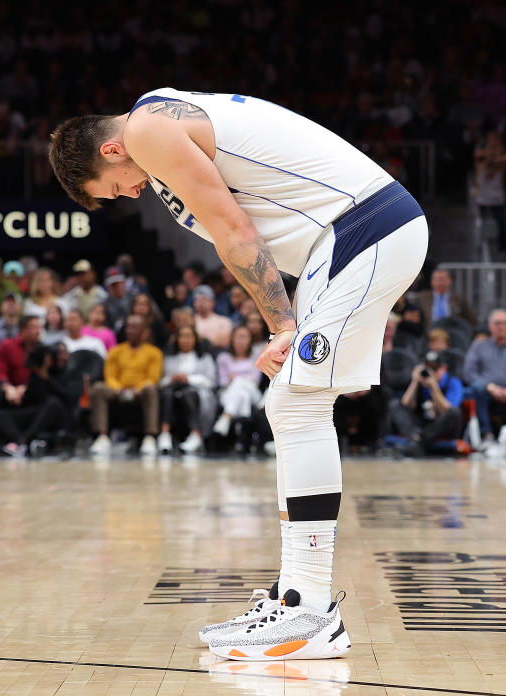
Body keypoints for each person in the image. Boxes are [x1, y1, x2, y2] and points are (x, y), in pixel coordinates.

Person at [50, 88, 427, 658]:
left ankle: (307, 610)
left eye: (114, 189)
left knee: (296, 405)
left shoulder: (148, 130)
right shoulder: (158, 124)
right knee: (290, 404)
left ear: (110, 151)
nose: (129, 195)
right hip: (345, 240)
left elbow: (236, 232)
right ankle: (297, 596)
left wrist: (281, 325)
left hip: (363, 229)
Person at [89, 315, 163, 456]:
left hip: (141, 392)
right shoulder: (115, 351)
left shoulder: (154, 352)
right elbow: (110, 375)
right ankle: (102, 436)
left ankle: (149, 437)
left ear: (144, 331)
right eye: (128, 327)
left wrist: (137, 389)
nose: (130, 331)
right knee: (98, 388)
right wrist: (118, 388)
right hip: (118, 390)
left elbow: (153, 377)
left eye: (135, 327)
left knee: (151, 389)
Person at [0, 344, 70, 457]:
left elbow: (68, 397)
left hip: (56, 415)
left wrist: (46, 378)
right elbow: (31, 400)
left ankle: (24, 442)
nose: (62, 357)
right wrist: (19, 395)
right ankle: (21, 441)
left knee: (53, 402)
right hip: (36, 412)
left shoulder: (68, 373)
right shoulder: (35, 374)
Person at [462, 309, 506, 443]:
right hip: (487, 392)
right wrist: (489, 386)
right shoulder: (479, 347)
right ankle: (486, 434)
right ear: (490, 326)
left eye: (504, 323)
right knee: (477, 390)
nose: (501, 327)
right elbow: (469, 373)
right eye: (497, 323)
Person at [390, 350, 464, 455]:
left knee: (454, 413)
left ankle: (418, 441)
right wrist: (414, 382)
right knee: (395, 404)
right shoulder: (420, 381)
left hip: (438, 427)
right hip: (419, 426)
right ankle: (415, 439)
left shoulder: (452, 382)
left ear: (444, 369)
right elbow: (405, 405)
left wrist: (433, 387)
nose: (431, 372)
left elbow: (448, 410)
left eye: (434, 368)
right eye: (427, 367)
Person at [158, 325, 217, 454]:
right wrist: (171, 378)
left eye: (188, 336)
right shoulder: (169, 358)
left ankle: (196, 434)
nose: (185, 340)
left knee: (188, 394)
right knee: (167, 394)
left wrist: (189, 379)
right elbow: (161, 381)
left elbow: (211, 381)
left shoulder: (204, 358)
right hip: (173, 392)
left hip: (197, 392)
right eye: (182, 336)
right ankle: (164, 434)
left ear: (195, 339)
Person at [213, 325, 263, 437]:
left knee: (238, 383)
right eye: (238, 337)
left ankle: (227, 417)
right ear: (232, 339)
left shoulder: (255, 357)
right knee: (242, 394)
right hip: (228, 393)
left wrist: (235, 378)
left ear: (250, 340)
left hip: (253, 393)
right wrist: (241, 378)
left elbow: (255, 380)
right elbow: (223, 382)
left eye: (245, 337)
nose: (241, 341)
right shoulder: (223, 358)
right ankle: (242, 427)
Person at [473, 130, 506, 252]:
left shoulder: (502, 159)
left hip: (497, 197)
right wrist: (491, 153)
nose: (494, 142)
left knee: (502, 223)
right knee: (479, 224)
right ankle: (477, 246)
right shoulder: (481, 158)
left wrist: (496, 156)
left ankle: (503, 248)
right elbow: (478, 155)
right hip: (482, 198)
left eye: (496, 139)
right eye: (492, 139)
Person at [192, 284, 233, 349]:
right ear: (194, 303)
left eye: (204, 300)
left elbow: (224, 341)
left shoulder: (224, 321)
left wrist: (199, 343)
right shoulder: (190, 321)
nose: (201, 303)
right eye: (198, 300)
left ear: (213, 302)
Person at [102, 266, 132, 333]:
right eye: (112, 284)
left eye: (118, 282)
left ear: (124, 282)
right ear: (107, 286)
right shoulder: (104, 304)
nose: (115, 286)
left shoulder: (135, 299)